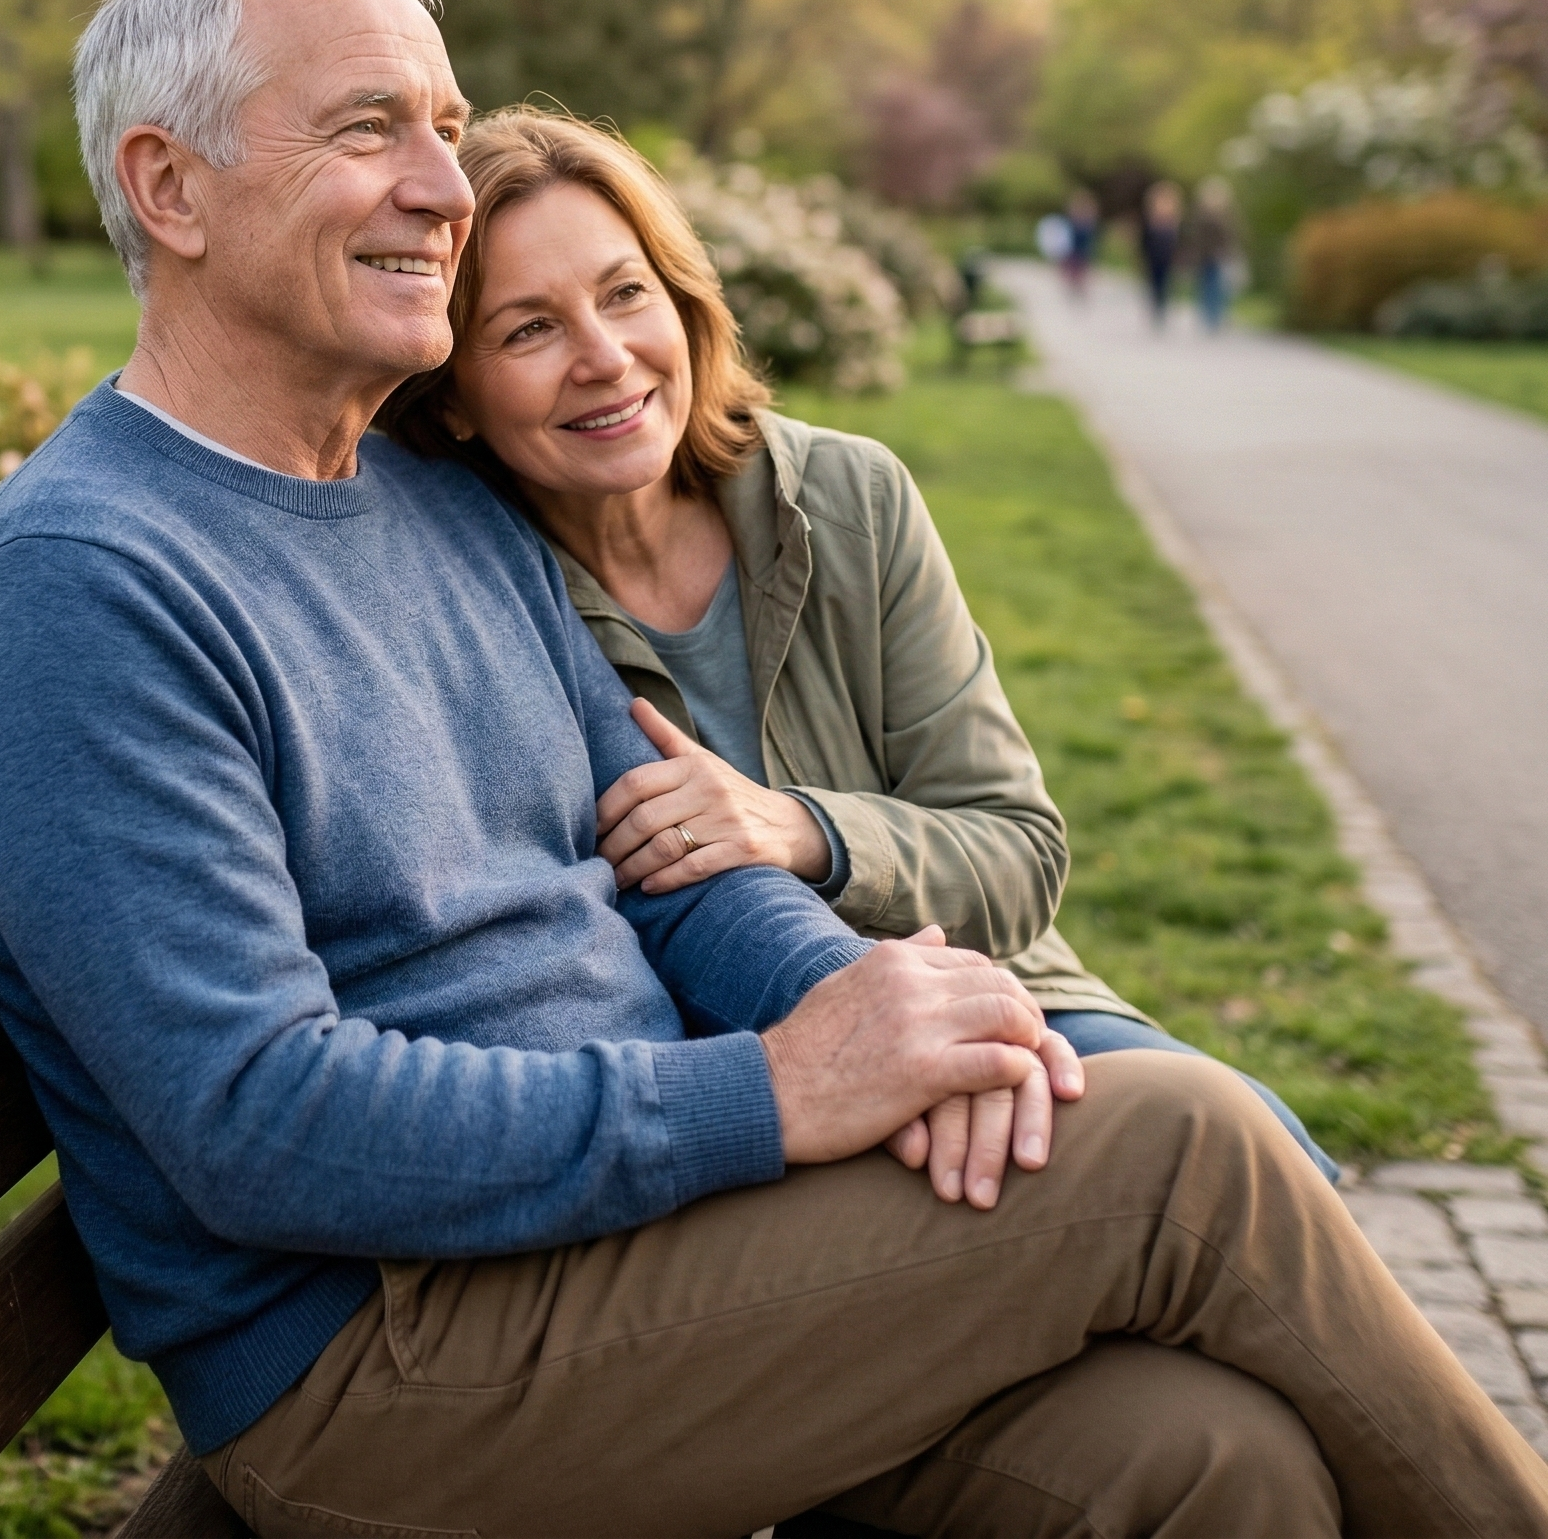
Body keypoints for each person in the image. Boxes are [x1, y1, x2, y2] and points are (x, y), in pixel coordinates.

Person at [0, 0, 1548, 1539]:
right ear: (167, 185)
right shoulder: (88, 580)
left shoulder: (444, 511)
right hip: (384, 1357)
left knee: (1198, 1456)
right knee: (1183, 1145)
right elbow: (257, 1121)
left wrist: (886, 1023)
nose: (441, 183)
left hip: (628, 1255)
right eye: (368, 127)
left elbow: (681, 863)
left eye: (440, 122)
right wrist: (772, 1089)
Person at [381, 109, 1337, 1187]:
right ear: (453, 397)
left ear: (681, 299)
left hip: (991, 988)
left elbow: (1018, 851)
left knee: (1252, 1144)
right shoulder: (466, 591)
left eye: (622, 292)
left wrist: (800, 827)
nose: (604, 359)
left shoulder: (848, 496)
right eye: (527, 330)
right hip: (748, 1072)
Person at [1192, 176, 1241, 332]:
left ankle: (1216, 316)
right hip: (1205, 258)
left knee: (1219, 288)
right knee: (1207, 287)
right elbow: (1198, 239)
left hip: (1220, 258)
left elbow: (1231, 237)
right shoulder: (1202, 217)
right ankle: (1208, 316)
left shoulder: (1227, 217)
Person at [1140, 179, 1184, 324]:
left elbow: (1178, 242)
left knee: (1165, 284)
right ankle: (1156, 307)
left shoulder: (1174, 222)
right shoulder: (1151, 222)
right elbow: (1144, 241)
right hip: (1153, 257)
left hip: (1168, 258)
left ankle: (1162, 307)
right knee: (1154, 283)